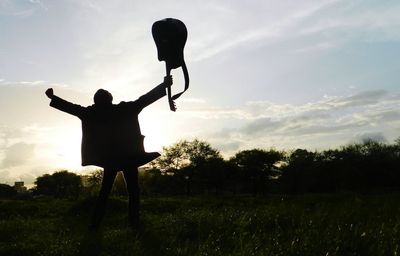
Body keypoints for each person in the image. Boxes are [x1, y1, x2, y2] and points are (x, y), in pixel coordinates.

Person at [45, 75, 172, 230]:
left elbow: (71, 107)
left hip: (110, 158)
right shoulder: (124, 109)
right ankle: (133, 222)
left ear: (95, 101)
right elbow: (144, 99)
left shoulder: (92, 113)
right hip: (128, 156)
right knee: (133, 190)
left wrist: (53, 97)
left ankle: (96, 223)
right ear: (111, 99)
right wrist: (163, 85)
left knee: (105, 192)